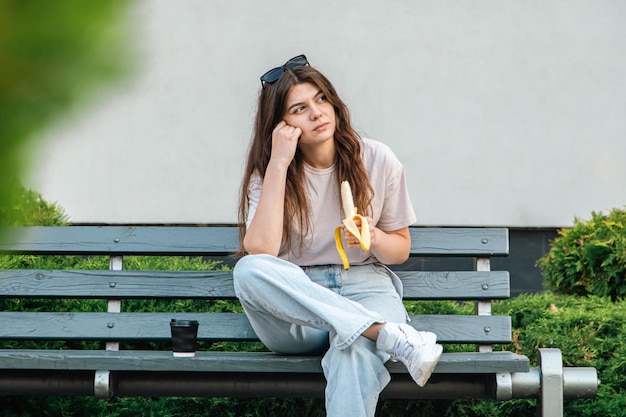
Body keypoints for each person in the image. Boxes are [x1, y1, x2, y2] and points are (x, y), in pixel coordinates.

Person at [233, 54, 442, 417]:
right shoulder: (269, 174)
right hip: (298, 304)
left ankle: (373, 331)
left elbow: (401, 249)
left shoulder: (377, 159)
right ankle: (386, 332)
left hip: (367, 287)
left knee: (356, 348)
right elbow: (261, 250)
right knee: (247, 271)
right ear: (281, 124)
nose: (317, 113)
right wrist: (279, 163)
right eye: (299, 108)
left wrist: (372, 238)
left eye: (321, 99)